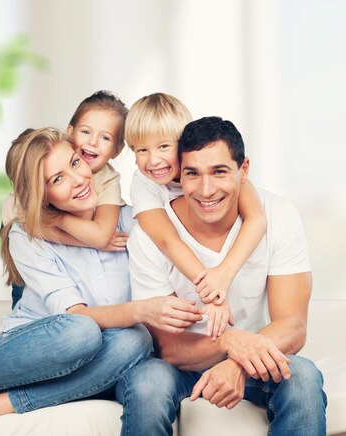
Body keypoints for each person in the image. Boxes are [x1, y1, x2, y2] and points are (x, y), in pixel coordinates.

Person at [0, 128, 202, 435]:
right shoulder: (28, 235)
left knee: (138, 343)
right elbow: (75, 317)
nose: (78, 180)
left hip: (107, 359)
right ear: (41, 194)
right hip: (33, 352)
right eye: (58, 179)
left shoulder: (132, 221)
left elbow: (195, 204)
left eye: (75, 163)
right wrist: (141, 310)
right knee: (82, 331)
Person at [117, 117, 327, 436]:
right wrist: (230, 341)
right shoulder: (149, 235)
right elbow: (169, 347)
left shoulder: (278, 214)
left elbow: (293, 327)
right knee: (147, 382)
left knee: (303, 376)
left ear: (243, 170)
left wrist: (239, 362)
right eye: (192, 174)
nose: (206, 190)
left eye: (219, 172)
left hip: (256, 358)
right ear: (178, 174)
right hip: (179, 366)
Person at [125, 93, 267, 339]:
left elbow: (257, 220)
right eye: (141, 150)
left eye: (163, 147)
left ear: (183, 145)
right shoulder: (143, 184)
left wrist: (224, 273)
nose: (153, 160)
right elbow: (168, 240)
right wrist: (212, 292)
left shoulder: (218, 169)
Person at [2, 90, 130, 308]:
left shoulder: (107, 179)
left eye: (105, 137)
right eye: (86, 131)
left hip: (66, 245)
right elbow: (24, 228)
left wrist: (55, 219)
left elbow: (100, 236)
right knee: (27, 292)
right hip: (33, 252)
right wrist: (57, 221)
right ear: (70, 133)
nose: (92, 142)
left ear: (117, 150)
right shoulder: (31, 183)